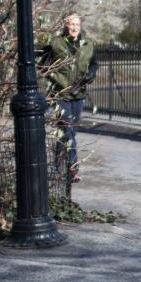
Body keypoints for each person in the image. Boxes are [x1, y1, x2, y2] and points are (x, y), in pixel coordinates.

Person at [41, 13, 96, 184]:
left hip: (78, 94)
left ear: (80, 26)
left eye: (77, 25)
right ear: (65, 25)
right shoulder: (56, 43)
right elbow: (43, 64)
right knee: (68, 127)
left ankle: (58, 165)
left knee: (66, 131)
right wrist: (54, 79)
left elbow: (94, 64)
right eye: (71, 24)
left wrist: (91, 75)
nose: (74, 27)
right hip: (61, 93)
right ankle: (73, 168)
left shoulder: (88, 44)